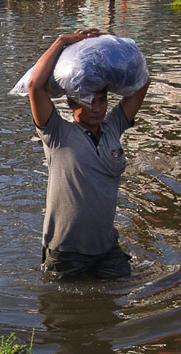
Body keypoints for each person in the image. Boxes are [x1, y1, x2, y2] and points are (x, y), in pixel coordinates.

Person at [27, 28, 149, 281]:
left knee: (119, 296)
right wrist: (62, 41)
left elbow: (141, 83)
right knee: (61, 311)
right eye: (90, 101)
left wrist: (109, 44)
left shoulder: (113, 128)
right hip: (66, 249)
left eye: (102, 101)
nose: (98, 108)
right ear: (72, 103)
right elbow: (35, 86)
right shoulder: (57, 134)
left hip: (106, 247)